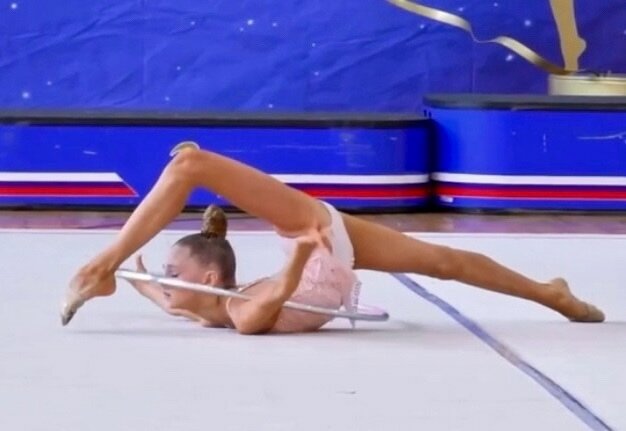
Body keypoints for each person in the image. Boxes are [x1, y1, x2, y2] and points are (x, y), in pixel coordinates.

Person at [61, 142, 604, 334]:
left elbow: (160, 295)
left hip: (312, 240)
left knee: (190, 165)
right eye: (167, 278)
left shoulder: (210, 309)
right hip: (318, 249)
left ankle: (550, 294)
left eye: (171, 275)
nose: (164, 284)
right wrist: (300, 259)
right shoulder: (223, 309)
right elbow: (241, 305)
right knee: (443, 262)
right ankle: (548, 292)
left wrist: (126, 270)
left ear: (208, 278)